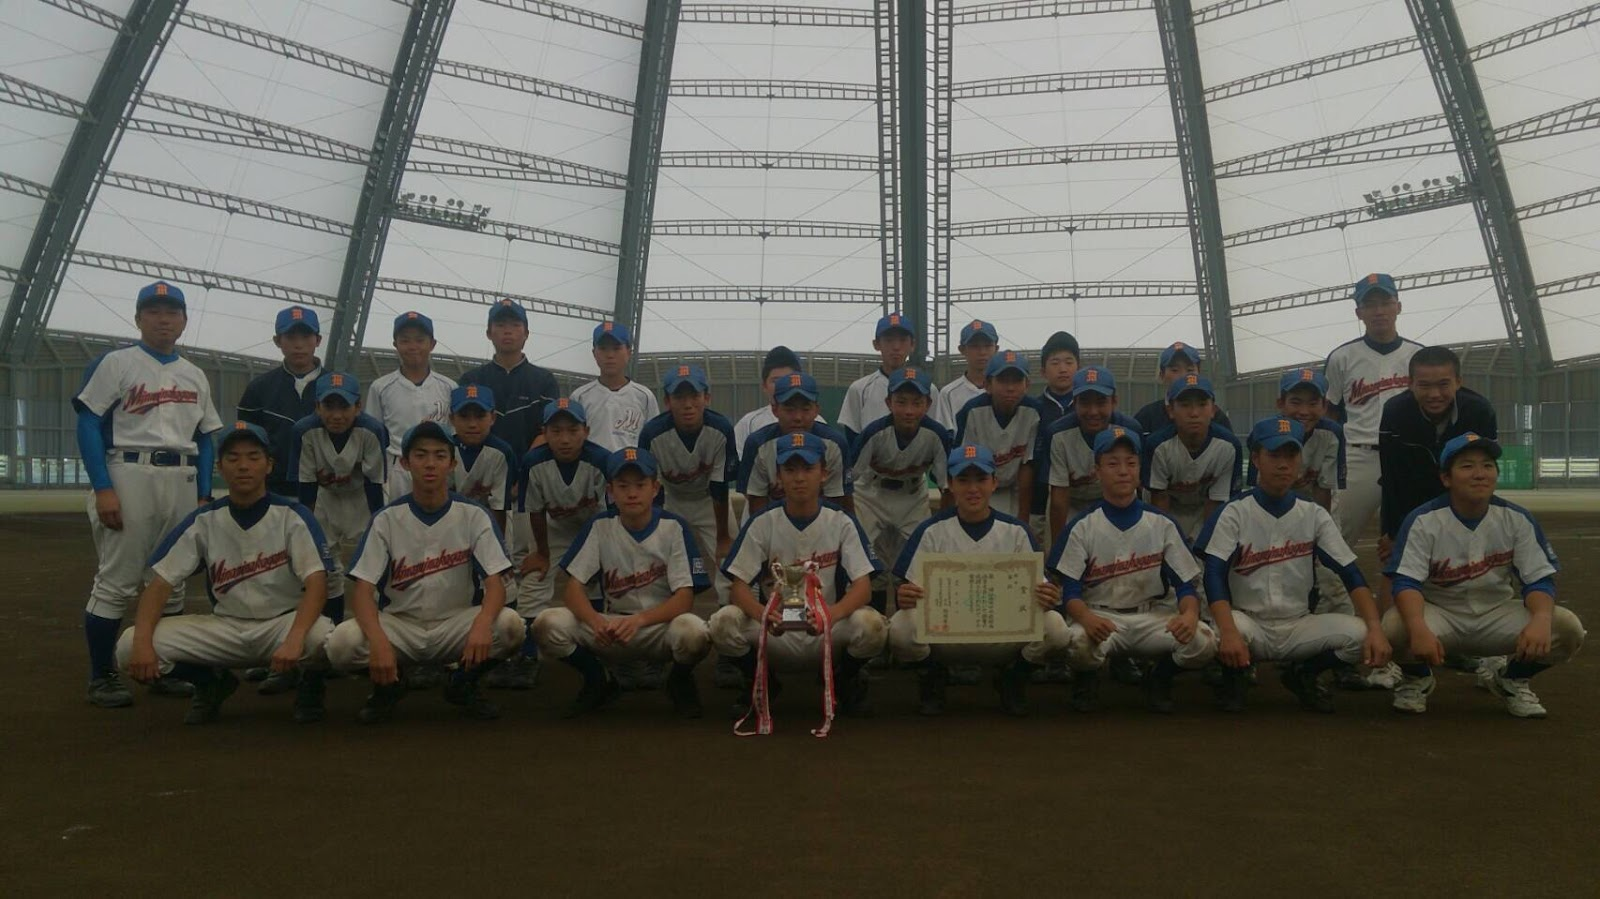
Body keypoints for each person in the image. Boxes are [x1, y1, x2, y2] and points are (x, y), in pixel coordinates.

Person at [119, 422, 334, 724]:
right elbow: (160, 584)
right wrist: (143, 642)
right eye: (233, 458)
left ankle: (309, 685)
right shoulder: (205, 519)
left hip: (281, 624)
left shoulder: (293, 516)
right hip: (225, 627)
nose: (243, 466)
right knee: (129, 646)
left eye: (253, 457)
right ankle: (211, 682)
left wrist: (295, 638)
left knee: (325, 638)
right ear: (220, 467)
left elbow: (317, 583)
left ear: (269, 465)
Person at [75, 280, 223, 708]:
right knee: (117, 581)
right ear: (138, 318)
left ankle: (163, 668)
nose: (163, 319)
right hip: (129, 472)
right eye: (154, 311)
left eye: (172, 312)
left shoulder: (195, 373)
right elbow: (88, 423)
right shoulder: (116, 363)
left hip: (182, 478)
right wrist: (104, 487)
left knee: (172, 581)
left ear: (184, 321)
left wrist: (203, 494)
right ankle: (102, 675)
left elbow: (206, 438)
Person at [325, 422, 523, 723]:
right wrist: (378, 641)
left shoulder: (474, 515)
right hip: (400, 625)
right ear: (405, 463)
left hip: (456, 622)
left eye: (440, 455)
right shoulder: (386, 519)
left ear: (452, 464)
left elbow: (495, 584)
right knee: (341, 644)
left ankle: (462, 683)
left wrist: (483, 624)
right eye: (420, 455)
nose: (430, 463)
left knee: (510, 626)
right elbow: (363, 591)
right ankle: (390, 686)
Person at [1194, 417, 1391, 713]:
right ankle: (1234, 677)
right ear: (1256, 459)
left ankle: (1303, 674)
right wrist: (1229, 630)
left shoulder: (1313, 514)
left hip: (1299, 624)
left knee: (1361, 636)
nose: (1284, 464)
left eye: (1291, 455)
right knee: (1218, 631)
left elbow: (1349, 572)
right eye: (1274, 455)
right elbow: (1214, 575)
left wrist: (1375, 628)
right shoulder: (1234, 512)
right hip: (1248, 622)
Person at [1383, 433, 1586, 718]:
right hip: (1440, 615)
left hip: (1496, 614)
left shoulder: (1516, 518)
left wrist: (1541, 619)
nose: (1479, 474)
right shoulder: (1423, 520)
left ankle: (1512, 679)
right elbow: (1406, 582)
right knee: (1393, 627)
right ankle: (1417, 678)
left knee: (1567, 628)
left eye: (1487, 465)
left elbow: (1538, 580)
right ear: (1446, 478)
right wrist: (1417, 627)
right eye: (1467, 466)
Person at [711, 432, 886, 719]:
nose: (799, 478)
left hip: (826, 628)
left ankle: (843, 680)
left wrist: (831, 614)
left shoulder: (841, 521)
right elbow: (738, 588)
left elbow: (863, 587)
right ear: (778, 476)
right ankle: (762, 682)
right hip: (775, 631)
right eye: (790, 470)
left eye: (808, 468)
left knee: (872, 625)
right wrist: (762, 614)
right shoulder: (762, 522)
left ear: (824, 474)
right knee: (722, 622)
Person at [534, 447, 712, 719]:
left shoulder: (674, 526)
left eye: (640, 485)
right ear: (610, 491)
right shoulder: (600, 525)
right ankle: (598, 680)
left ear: (655, 488)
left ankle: (678, 681)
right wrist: (595, 621)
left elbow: (684, 598)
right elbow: (573, 589)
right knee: (547, 623)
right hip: (611, 628)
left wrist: (640, 620)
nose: (632, 493)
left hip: (658, 628)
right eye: (623, 486)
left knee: (695, 632)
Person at [890, 445, 1068, 716]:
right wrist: (903, 596)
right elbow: (906, 590)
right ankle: (932, 675)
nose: (972, 489)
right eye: (963, 480)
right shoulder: (931, 530)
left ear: (994, 483)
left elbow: (1040, 590)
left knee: (1056, 627)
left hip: (1003, 639)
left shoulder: (1016, 531)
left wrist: (1047, 596)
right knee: (900, 627)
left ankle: (1014, 676)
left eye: (981, 479)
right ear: (950, 485)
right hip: (946, 640)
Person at [1048, 427, 1217, 713]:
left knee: (1204, 641)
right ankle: (1086, 678)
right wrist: (1086, 618)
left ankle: (1159, 677)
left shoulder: (1162, 523)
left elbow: (1185, 585)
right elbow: (1070, 591)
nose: (1123, 471)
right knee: (1076, 642)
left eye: (1131, 463)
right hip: (1099, 614)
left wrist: (1189, 614)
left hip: (1151, 616)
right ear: (1098, 471)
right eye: (1113, 463)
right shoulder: (1083, 526)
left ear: (1140, 470)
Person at [1324, 273, 1422, 556]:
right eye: (1370, 305)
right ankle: (1328, 584)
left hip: (1407, 454)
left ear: (1398, 307)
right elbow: (1329, 412)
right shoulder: (1342, 357)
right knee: (1335, 537)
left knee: (1416, 537)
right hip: (1359, 455)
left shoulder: (1418, 356)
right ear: (1359, 312)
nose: (1379, 311)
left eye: (1385, 302)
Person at [515, 397, 611, 679]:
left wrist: (592, 559)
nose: (565, 439)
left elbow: (607, 515)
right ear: (544, 433)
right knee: (533, 582)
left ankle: (596, 647)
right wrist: (542, 553)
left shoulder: (602, 460)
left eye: (573, 430)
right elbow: (534, 511)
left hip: (593, 528)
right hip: (553, 527)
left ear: (586, 431)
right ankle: (528, 654)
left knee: (594, 582)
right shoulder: (533, 461)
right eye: (556, 431)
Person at [288, 371, 387, 627]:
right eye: (328, 406)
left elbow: (375, 484)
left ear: (358, 406)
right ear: (317, 407)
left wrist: (378, 524)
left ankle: (379, 626)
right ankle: (332, 627)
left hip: (362, 499)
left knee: (374, 565)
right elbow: (306, 485)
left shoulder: (372, 429)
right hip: (325, 499)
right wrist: (307, 528)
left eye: (344, 406)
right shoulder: (304, 430)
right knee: (327, 567)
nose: (336, 414)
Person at [850, 366, 952, 613]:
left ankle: (906, 624)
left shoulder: (936, 434)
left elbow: (947, 486)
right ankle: (872, 624)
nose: (909, 410)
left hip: (912, 496)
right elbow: (849, 479)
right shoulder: (874, 432)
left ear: (928, 404)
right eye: (901, 401)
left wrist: (942, 525)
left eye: (917, 402)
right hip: (871, 495)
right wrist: (849, 520)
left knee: (915, 563)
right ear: (889, 402)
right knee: (868, 563)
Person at [1378, 346, 1497, 550]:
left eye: (1443, 384)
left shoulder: (1480, 411)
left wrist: (1483, 524)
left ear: (1458, 382)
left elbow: (1485, 472)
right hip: (1412, 500)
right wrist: (1393, 533)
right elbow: (1391, 479)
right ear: (1410, 384)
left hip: (1463, 503)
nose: (1434, 394)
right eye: (1424, 385)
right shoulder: (1395, 412)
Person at [1041, 366, 1143, 540]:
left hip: (1113, 501)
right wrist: (1059, 544)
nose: (1093, 411)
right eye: (1085, 402)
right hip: (1071, 503)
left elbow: (1136, 485)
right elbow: (1059, 497)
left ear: (1114, 402)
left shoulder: (1130, 429)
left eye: (1101, 402)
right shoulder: (1057, 433)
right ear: (1075, 403)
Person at [365, 311, 455, 502]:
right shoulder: (380, 387)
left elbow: (454, 434)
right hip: (398, 466)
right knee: (399, 517)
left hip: (437, 466)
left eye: (420, 340)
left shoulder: (449, 387)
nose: (413, 346)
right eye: (405, 340)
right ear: (395, 344)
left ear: (432, 344)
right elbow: (373, 437)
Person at [236, 305, 323, 498]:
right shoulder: (259, 388)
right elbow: (246, 441)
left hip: (326, 493)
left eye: (306, 337)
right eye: (290, 337)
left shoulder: (335, 388)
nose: (298, 345)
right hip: (273, 492)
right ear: (277, 341)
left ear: (318, 340)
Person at [739, 371, 853, 516]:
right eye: (789, 409)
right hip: (771, 520)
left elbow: (837, 505)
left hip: (821, 522)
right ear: (775, 409)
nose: (798, 417)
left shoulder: (834, 444)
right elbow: (756, 506)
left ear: (816, 410)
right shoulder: (757, 444)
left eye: (805, 409)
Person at [1142, 375, 1241, 542]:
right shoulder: (1158, 445)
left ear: (1213, 410)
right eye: (1185, 405)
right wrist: (1166, 541)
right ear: (1170, 411)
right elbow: (1159, 500)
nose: (1194, 413)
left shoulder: (1228, 446)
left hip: (1204, 510)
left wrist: (1201, 542)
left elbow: (1216, 502)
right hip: (1168, 511)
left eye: (1202, 404)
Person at [953, 350, 1042, 519]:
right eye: (1002, 380)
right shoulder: (972, 411)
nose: (1010, 388)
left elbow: (1027, 465)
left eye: (1017, 380)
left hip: (1014, 488)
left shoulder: (1034, 411)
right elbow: (963, 464)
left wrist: (1023, 516)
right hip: (979, 486)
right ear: (987, 385)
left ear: (1027, 385)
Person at [1251, 368, 1345, 511]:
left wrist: (1320, 522)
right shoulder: (1264, 433)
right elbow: (1257, 487)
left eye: (1313, 403)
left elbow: (1324, 488)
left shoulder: (1332, 433)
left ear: (1325, 406)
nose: (1304, 411)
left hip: (1312, 506)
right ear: (1281, 403)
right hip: (1270, 505)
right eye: (1295, 402)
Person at [837, 312, 937, 444]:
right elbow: (853, 437)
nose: (896, 347)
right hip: (872, 456)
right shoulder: (859, 388)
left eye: (902, 340)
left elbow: (937, 434)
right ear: (876, 344)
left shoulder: (929, 389)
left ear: (912, 345)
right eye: (889, 340)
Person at [569, 321, 658, 451]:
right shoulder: (579, 396)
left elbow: (654, 441)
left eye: (616, 348)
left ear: (628, 352)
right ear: (594, 353)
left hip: (631, 463)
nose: (610, 355)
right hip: (593, 463)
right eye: (603, 349)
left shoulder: (644, 396)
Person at [447, 384, 518, 533]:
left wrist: (496, 542)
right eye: (464, 416)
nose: (472, 424)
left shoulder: (501, 452)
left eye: (480, 416)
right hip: (450, 525)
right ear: (452, 419)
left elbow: (499, 506)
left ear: (492, 418)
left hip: (487, 525)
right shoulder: (444, 449)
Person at [732, 345, 826, 458]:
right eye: (776, 381)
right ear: (764, 386)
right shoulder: (748, 423)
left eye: (787, 379)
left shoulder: (818, 422)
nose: (782, 385)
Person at [1132, 342, 1233, 436]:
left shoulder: (1217, 418)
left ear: (1199, 373)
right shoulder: (1147, 416)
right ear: (1162, 375)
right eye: (1175, 370)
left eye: (1190, 370)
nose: (1183, 376)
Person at [932, 320, 998, 429]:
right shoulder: (948, 393)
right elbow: (946, 433)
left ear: (996, 349)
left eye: (988, 346)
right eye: (974, 346)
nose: (982, 352)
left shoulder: (1004, 390)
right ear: (962, 350)